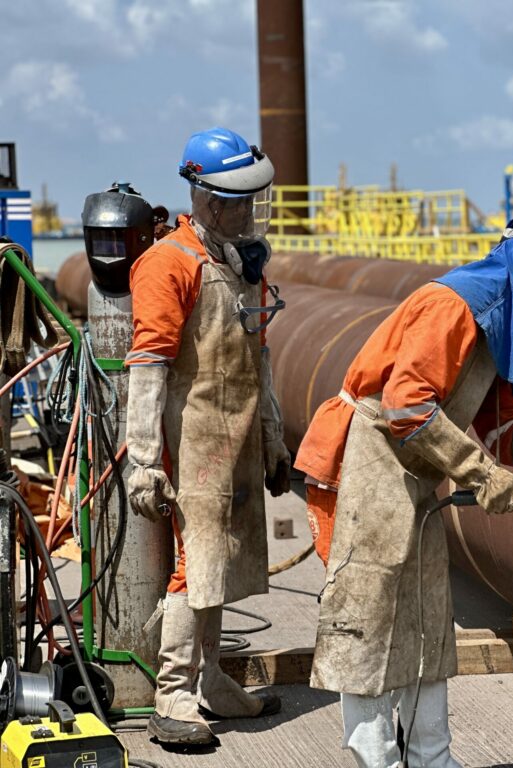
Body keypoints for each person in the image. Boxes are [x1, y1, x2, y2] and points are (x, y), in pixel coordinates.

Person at [296, 208, 513, 767]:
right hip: (374, 465)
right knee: (372, 616)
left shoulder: (498, 320)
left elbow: (502, 430)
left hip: (414, 472)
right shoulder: (455, 304)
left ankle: (432, 757)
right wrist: (481, 475)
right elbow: (405, 405)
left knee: (426, 615)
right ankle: (373, 756)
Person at [124, 127, 291, 746]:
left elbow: (261, 357)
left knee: (222, 564)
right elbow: (148, 367)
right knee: (195, 566)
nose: (251, 211)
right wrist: (144, 461)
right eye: (239, 201)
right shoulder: (169, 263)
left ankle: (213, 681)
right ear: (208, 200)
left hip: (239, 433)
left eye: (255, 199)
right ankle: (173, 695)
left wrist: (273, 438)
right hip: (191, 437)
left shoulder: (244, 264)